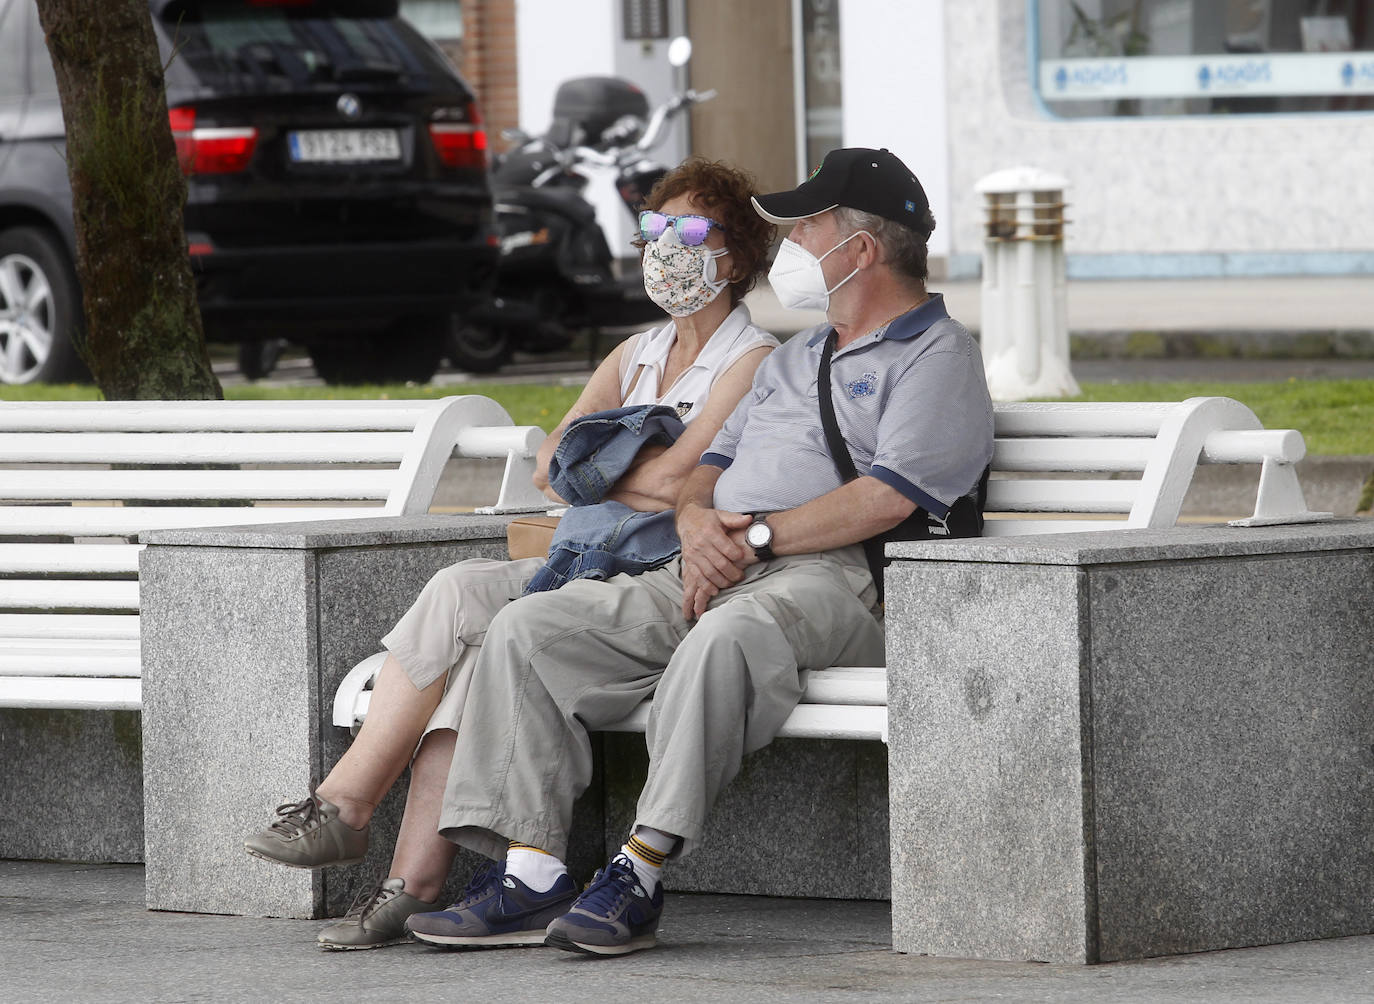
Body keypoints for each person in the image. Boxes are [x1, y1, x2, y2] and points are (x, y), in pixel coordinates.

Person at [400, 147, 995, 956]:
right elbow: (706, 474)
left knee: (724, 637)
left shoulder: (938, 356)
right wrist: (694, 526)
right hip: (712, 562)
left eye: (808, 225)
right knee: (529, 631)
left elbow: (887, 496)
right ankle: (533, 877)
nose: (791, 242)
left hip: (838, 582)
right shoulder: (796, 356)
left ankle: (639, 872)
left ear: (858, 249)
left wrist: (751, 537)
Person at [242, 157, 779, 949]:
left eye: (690, 232)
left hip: (649, 574)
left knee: (496, 644)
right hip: (580, 557)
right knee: (457, 588)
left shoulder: (752, 356)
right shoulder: (635, 351)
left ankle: (410, 881)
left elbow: (677, 484)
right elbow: (549, 465)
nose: (665, 248)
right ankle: (345, 809)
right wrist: (616, 468)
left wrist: (605, 469)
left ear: (735, 254)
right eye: (653, 230)